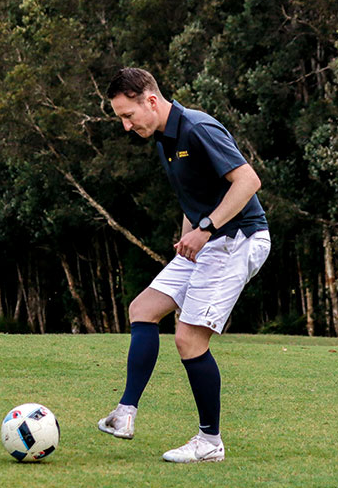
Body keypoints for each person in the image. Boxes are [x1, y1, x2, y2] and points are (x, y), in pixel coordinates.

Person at [96, 67, 270, 463]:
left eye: (128, 115)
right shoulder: (164, 140)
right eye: (121, 117)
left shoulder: (196, 127)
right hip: (208, 240)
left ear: (151, 101)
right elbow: (195, 197)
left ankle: (210, 442)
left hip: (239, 239)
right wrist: (188, 237)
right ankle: (125, 415)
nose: (126, 126)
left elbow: (248, 181)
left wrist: (205, 229)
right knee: (143, 309)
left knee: (189, 340)